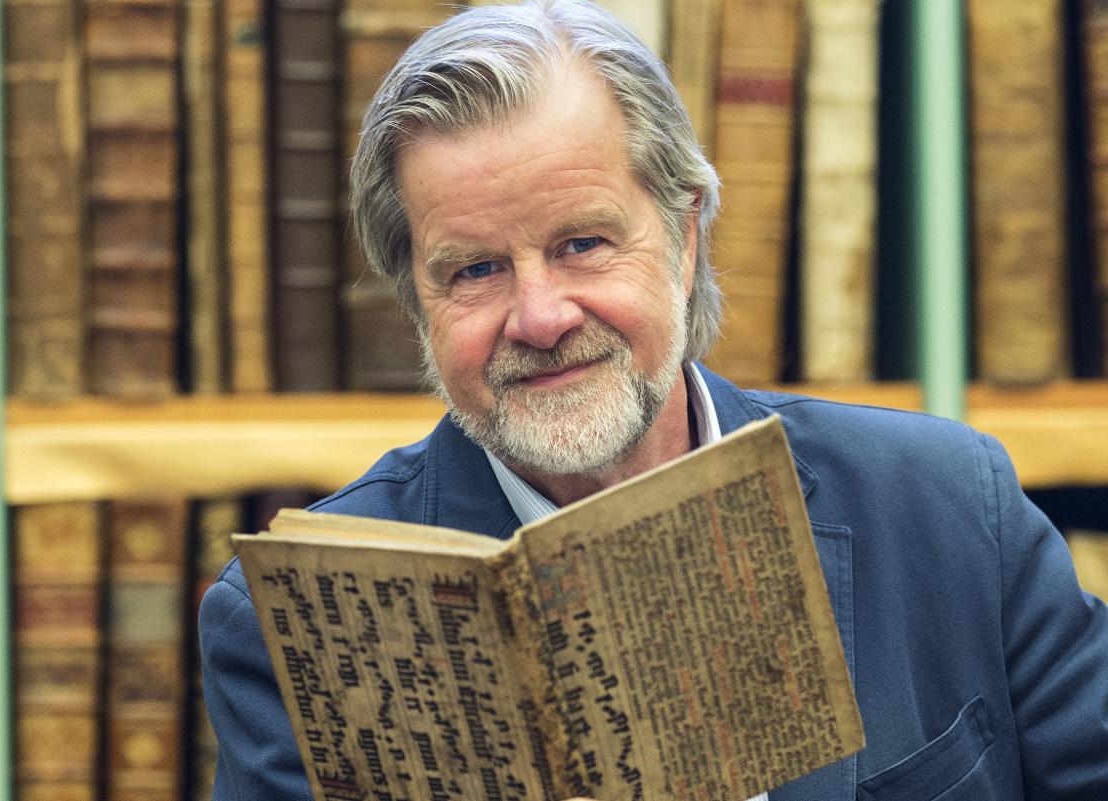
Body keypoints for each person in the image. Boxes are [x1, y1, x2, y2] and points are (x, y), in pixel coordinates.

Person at [198, 1, 1108, 799]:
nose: (541, 317)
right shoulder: (285, 629)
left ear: (684, 236)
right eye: (474, 270)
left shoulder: (950, 504)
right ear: (417, 304)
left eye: (582, 243)